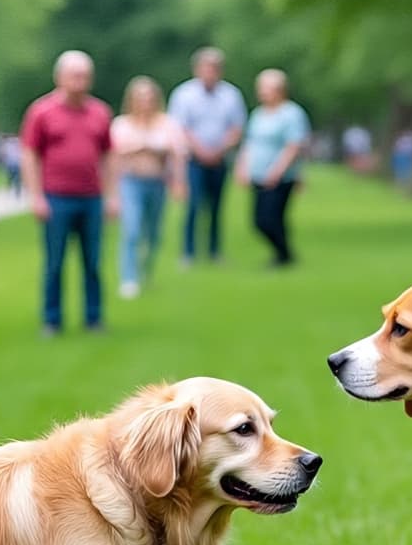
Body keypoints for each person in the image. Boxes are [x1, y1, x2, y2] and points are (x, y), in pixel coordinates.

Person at [19, 50, 116, 336]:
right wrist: (36, 196)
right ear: (59, 77)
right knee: (54, 262)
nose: (80, 81)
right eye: (75, 75)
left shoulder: (100, 112)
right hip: (56, 197)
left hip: (91, 198)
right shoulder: (42, 112)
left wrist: (112, 195)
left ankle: (94, 318)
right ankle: (52, 319)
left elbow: (109, 156)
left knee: (94, 262)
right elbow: (30, 155)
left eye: (85, 75)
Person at [168, 47, 247, 265]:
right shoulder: (184, 94)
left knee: (216, 207)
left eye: (214, 68)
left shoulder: (231, 95)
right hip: (194, 159)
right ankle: (188, 252)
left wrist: (220, 149)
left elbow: (237, 127)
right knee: (193, 205)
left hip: (220, 158)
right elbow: (181, 127)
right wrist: (200, 150)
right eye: (206, 68)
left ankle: (214, 251)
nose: (210, 73)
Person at [111, 77, 187, 299]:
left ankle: (146, 270)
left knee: (153, 233)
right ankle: (129, 278)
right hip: (131, 181)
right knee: (132, 230)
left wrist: (180, 182)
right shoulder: (121, 124)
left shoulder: (167, 123)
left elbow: (177, 154)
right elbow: (113, 155)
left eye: (149, 98)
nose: (145, 102)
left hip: (157, 182)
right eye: (140, 98)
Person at [235, 69, 310, 268]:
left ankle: (284, 254)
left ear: (280, 90)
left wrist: (277, 171)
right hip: (258, 175)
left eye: (266, 89)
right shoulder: (258, 114)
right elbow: (250, 143)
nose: (262, 93)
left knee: (270, 219)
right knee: (260, 220)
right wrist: (242, 167)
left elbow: (293, 146)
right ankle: (283, 255)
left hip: (281, 177)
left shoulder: (291, 114)